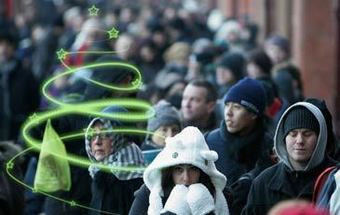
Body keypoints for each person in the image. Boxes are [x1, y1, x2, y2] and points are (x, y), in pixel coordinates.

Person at [242, 100, 338, 215]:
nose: (299, 141)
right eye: (293, 134)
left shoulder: (335, 180)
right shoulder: (263, 183)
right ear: (283, 139)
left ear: (320, 138)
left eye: (307, 134)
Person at [205, 77, 274, 214]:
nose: (228, 113)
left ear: (254, 114)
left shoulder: (270, 147)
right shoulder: (209, 141)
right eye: (227, 105)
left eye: (237, 107)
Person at [129, 126, 230, 215]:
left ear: (202, 171)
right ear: (169, 171)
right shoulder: (149, 193)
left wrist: (206, 211)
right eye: (179, 169)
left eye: (193, 169)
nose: (186, 178)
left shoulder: (219, 195)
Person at [85, 106, 144, 215]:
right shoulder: (96, 172)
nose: (97, 142)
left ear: (121, 138)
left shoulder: (135, 180)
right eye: (93, 135)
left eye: (105, 135)